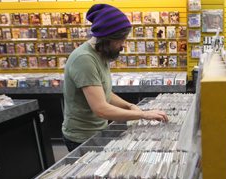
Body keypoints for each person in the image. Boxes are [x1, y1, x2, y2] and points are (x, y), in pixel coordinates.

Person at [62, 4, 168, 151]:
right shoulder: (84, 59)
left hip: (97, 131)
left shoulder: (101, 54)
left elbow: (104, 93)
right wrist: (142, 115)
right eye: (121, 40)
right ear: (108, 38)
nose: (123, 45)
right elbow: (101, 109)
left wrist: (129, 106)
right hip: (82, 138)